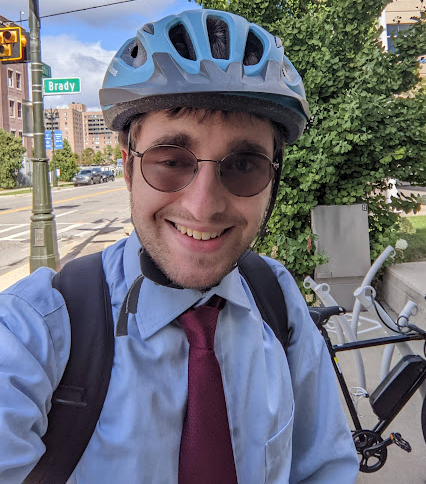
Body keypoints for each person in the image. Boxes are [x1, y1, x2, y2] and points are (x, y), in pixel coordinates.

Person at [0, 9, 359, 483]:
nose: (203, 205)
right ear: (128, 169)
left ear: (273, 179)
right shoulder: (34, 331)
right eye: (171, 161)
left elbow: (324, 468)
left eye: (244, 164)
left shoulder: (277, 298)